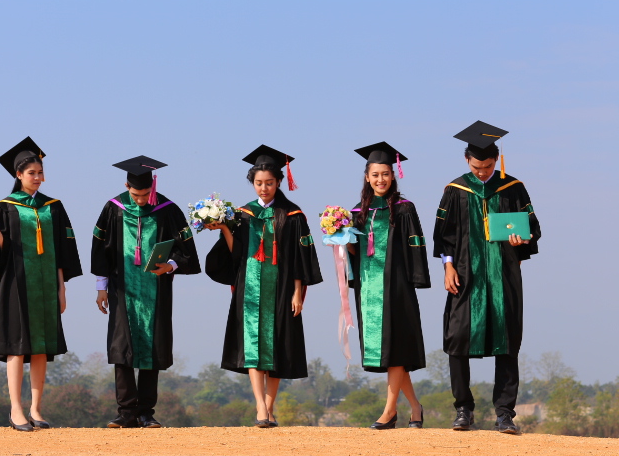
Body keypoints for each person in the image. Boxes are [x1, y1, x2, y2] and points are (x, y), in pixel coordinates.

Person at [433, 121, 541, 434]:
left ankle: (505, 413)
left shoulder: (513, 187)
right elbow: (443, 235)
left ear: (497, 160)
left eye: (488, 166)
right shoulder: (455, 190)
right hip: (465, 275)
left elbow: (533, 228)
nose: (482, 173)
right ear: (467, 160)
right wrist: (448, 266)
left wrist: (522, 240)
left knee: (506, 340)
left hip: (503, 275)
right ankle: (463, 409)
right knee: (457, 339)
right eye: (476, 167)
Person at [205, 145, 322, 428]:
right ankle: (260, 406)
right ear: (253, 183)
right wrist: (224, 228)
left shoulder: (293, 215)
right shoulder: (243, 214)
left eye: (269, 182)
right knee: (252, 345)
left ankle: (269, 407)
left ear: (279, 181)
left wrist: (298, 292)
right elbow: (236, 254)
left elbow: (299, 257)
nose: (264, 188)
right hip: (250, 288)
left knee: (278, 345)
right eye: (259, 183)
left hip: (282, 290)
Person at [0, 136, 82, 432]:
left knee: (41, 346)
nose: (37, 177)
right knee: (17, 345)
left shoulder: (54, 207)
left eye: (40, 172)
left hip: (47, 284)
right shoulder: (5, 206)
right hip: (16, 282)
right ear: (19, 175)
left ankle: (36, 409)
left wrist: (62, 288)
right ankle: (16, 410)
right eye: (31, 173)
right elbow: (1, 248)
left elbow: (61, 252)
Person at [91, 155, 201, 428]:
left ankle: (146, 412)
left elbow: (186, 250)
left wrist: (171, 265)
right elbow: (101, 250)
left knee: (152, 347)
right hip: (121, 290)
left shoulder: (167, 209)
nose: (140, 200)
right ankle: (126, 412)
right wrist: (101, 287)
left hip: (156, 289)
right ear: (126, 186)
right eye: (135, 194)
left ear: (153, 186)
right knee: (122, 348)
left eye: (145, 194)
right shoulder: (114, 208)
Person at [347, 142, 430, 429]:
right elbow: (356, 253)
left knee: (395, 350)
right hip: (369, 289)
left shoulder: (404, 209)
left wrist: (414, 279)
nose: (380, 179)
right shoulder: (358, 212)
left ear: (393, 176)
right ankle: (415, 407)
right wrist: (342, 239)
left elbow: (415, 244)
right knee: (392, 352)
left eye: (385, 174)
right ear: (367, 178)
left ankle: (389, 410)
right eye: (375, 175)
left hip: (396, 287)